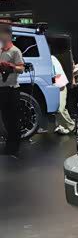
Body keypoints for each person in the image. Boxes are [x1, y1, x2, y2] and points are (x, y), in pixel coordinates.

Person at [0, 24, 25, 156]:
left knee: (13, 119)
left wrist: (11, 66)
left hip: (11, 90)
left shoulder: (15, 51)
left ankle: (14, 147)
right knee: (5, 118)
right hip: (1, 90)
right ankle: (9, 145)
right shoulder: (0, 50)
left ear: (8, 35)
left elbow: (21, 69)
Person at [51, 55, 75, 135]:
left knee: (60, 109)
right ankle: (62, 126)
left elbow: (58, 74)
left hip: (60, 86)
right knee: (57, 110)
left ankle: (71, 126)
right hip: (53, 87)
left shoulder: (52, 58)